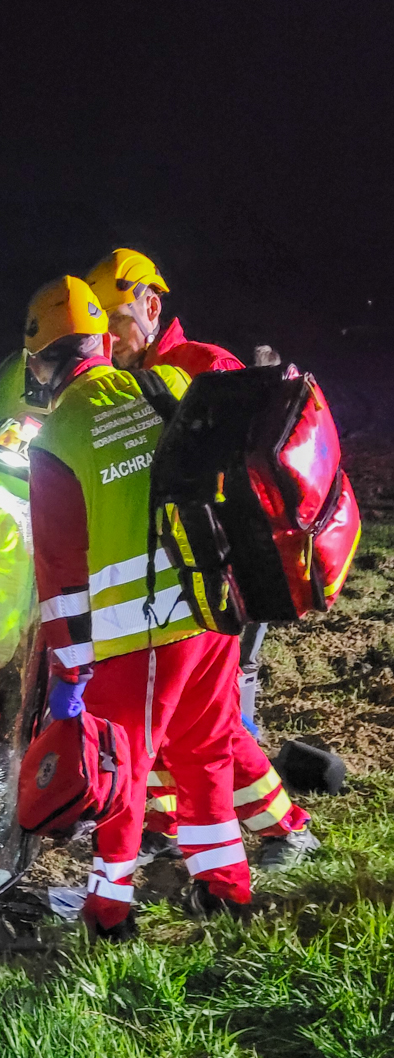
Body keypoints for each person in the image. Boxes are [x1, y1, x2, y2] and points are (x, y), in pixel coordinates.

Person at [25, 275, 251, 940]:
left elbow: (61, 575)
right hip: (211, 611)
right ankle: (225, 892)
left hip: (136, 635)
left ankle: (109, 912)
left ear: (39, 365)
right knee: (205, 753)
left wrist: (69, 675)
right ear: (99, 341)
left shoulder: (55, 438)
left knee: (122, 773)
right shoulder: (167, 384)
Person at [84, 247, 320, 870]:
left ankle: (284, 829)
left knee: (203, 721)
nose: (108, 339)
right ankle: (170, 823)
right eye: (99, 328)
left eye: (116, 322)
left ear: (151, 304)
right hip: (167, 576)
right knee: (177, 719)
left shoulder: (205, 367)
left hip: (216, 573)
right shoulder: (119, 381)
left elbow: (240, 480)